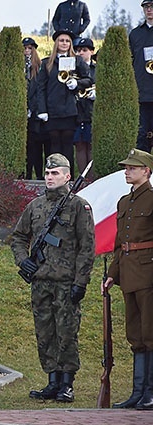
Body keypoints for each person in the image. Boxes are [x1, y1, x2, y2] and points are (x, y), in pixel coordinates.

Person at [10, 153, 95, 403]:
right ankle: (52, 380)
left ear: (67, 176)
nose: (49, 177)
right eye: (47, 173)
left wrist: (81, 282)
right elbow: (18, 237)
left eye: (55, 173)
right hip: (41, 282)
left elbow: (87, 247)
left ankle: (67, 384)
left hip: (66, 282)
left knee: (66, 333)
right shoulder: (35, 206)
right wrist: (22, 260)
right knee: (45, 333)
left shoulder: (79, 206)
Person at [103, 148, 153, 410]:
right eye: (126, 167)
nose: (127, 171)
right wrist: (113, 274)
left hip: (149, 272)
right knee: (135, 334)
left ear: (146, 171)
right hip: (130, 273)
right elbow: (120, 243)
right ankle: (138, 392)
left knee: (151, 333)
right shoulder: (125, 201)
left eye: (132, 168)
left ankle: (151, 393)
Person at [36, 29, 91, 171]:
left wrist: (77, 84)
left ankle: (68, 178)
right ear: (56, 43)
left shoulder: (77, 61)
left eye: (67, 41)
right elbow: (41, 88)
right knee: (54, 145)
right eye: (61, 40)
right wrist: (42, 110)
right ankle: (53, 175)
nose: (64, 43)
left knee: (67, 146)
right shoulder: (47, 63)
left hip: (70, 110)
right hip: (52, 110)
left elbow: (89, 79)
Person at [129, 1, 153, 153]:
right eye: (146, 7)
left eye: (152, 6)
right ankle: (144, 174)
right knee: (141, 137)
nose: (149, 10)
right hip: (142, 94)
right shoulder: (135, 34)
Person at [24, 36, 47, 180]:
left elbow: (39, 89)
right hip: (24, 112)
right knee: (27, 149)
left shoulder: (39, 66)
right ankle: (26, 175)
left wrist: (33, 108)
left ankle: (39, 175)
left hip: (36, 114)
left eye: (29, 48)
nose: (27, 51)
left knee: (37, 148)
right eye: (25, 48)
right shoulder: (20, 65)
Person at [73, 37, 96, 179]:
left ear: (92, 51)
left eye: (84, 50)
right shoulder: (73, 68)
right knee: (80, 145)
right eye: (78, 50)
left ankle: (93, 178)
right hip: (77, 110)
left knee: (92, 145)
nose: (81, 53)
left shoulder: (97, 69)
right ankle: (82, 179)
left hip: (92, 111)